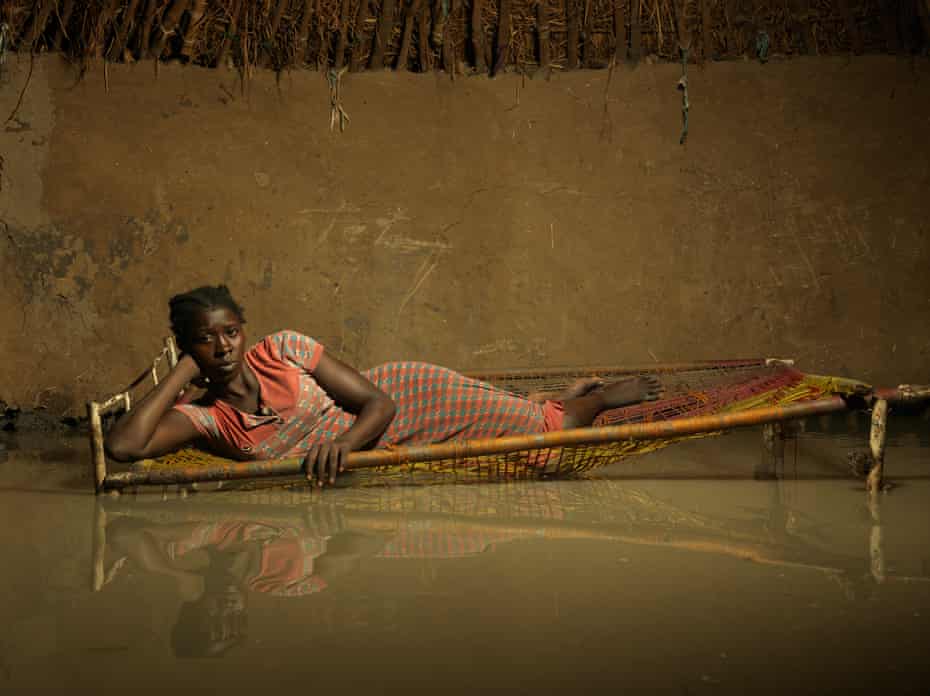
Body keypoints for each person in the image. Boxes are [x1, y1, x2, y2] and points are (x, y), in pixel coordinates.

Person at [104, 285, 662, 486]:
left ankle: (590, 401)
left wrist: (341, 446)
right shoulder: (207, 420)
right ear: (188, 346)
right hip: (386, 451)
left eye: (231, 332)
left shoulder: (284, 349)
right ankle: (557, 399)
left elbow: (379, 400)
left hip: (403, 404)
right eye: (206, 340)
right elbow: (123, 449)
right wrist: (181, 372)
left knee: (553, 438)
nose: (224, 347)